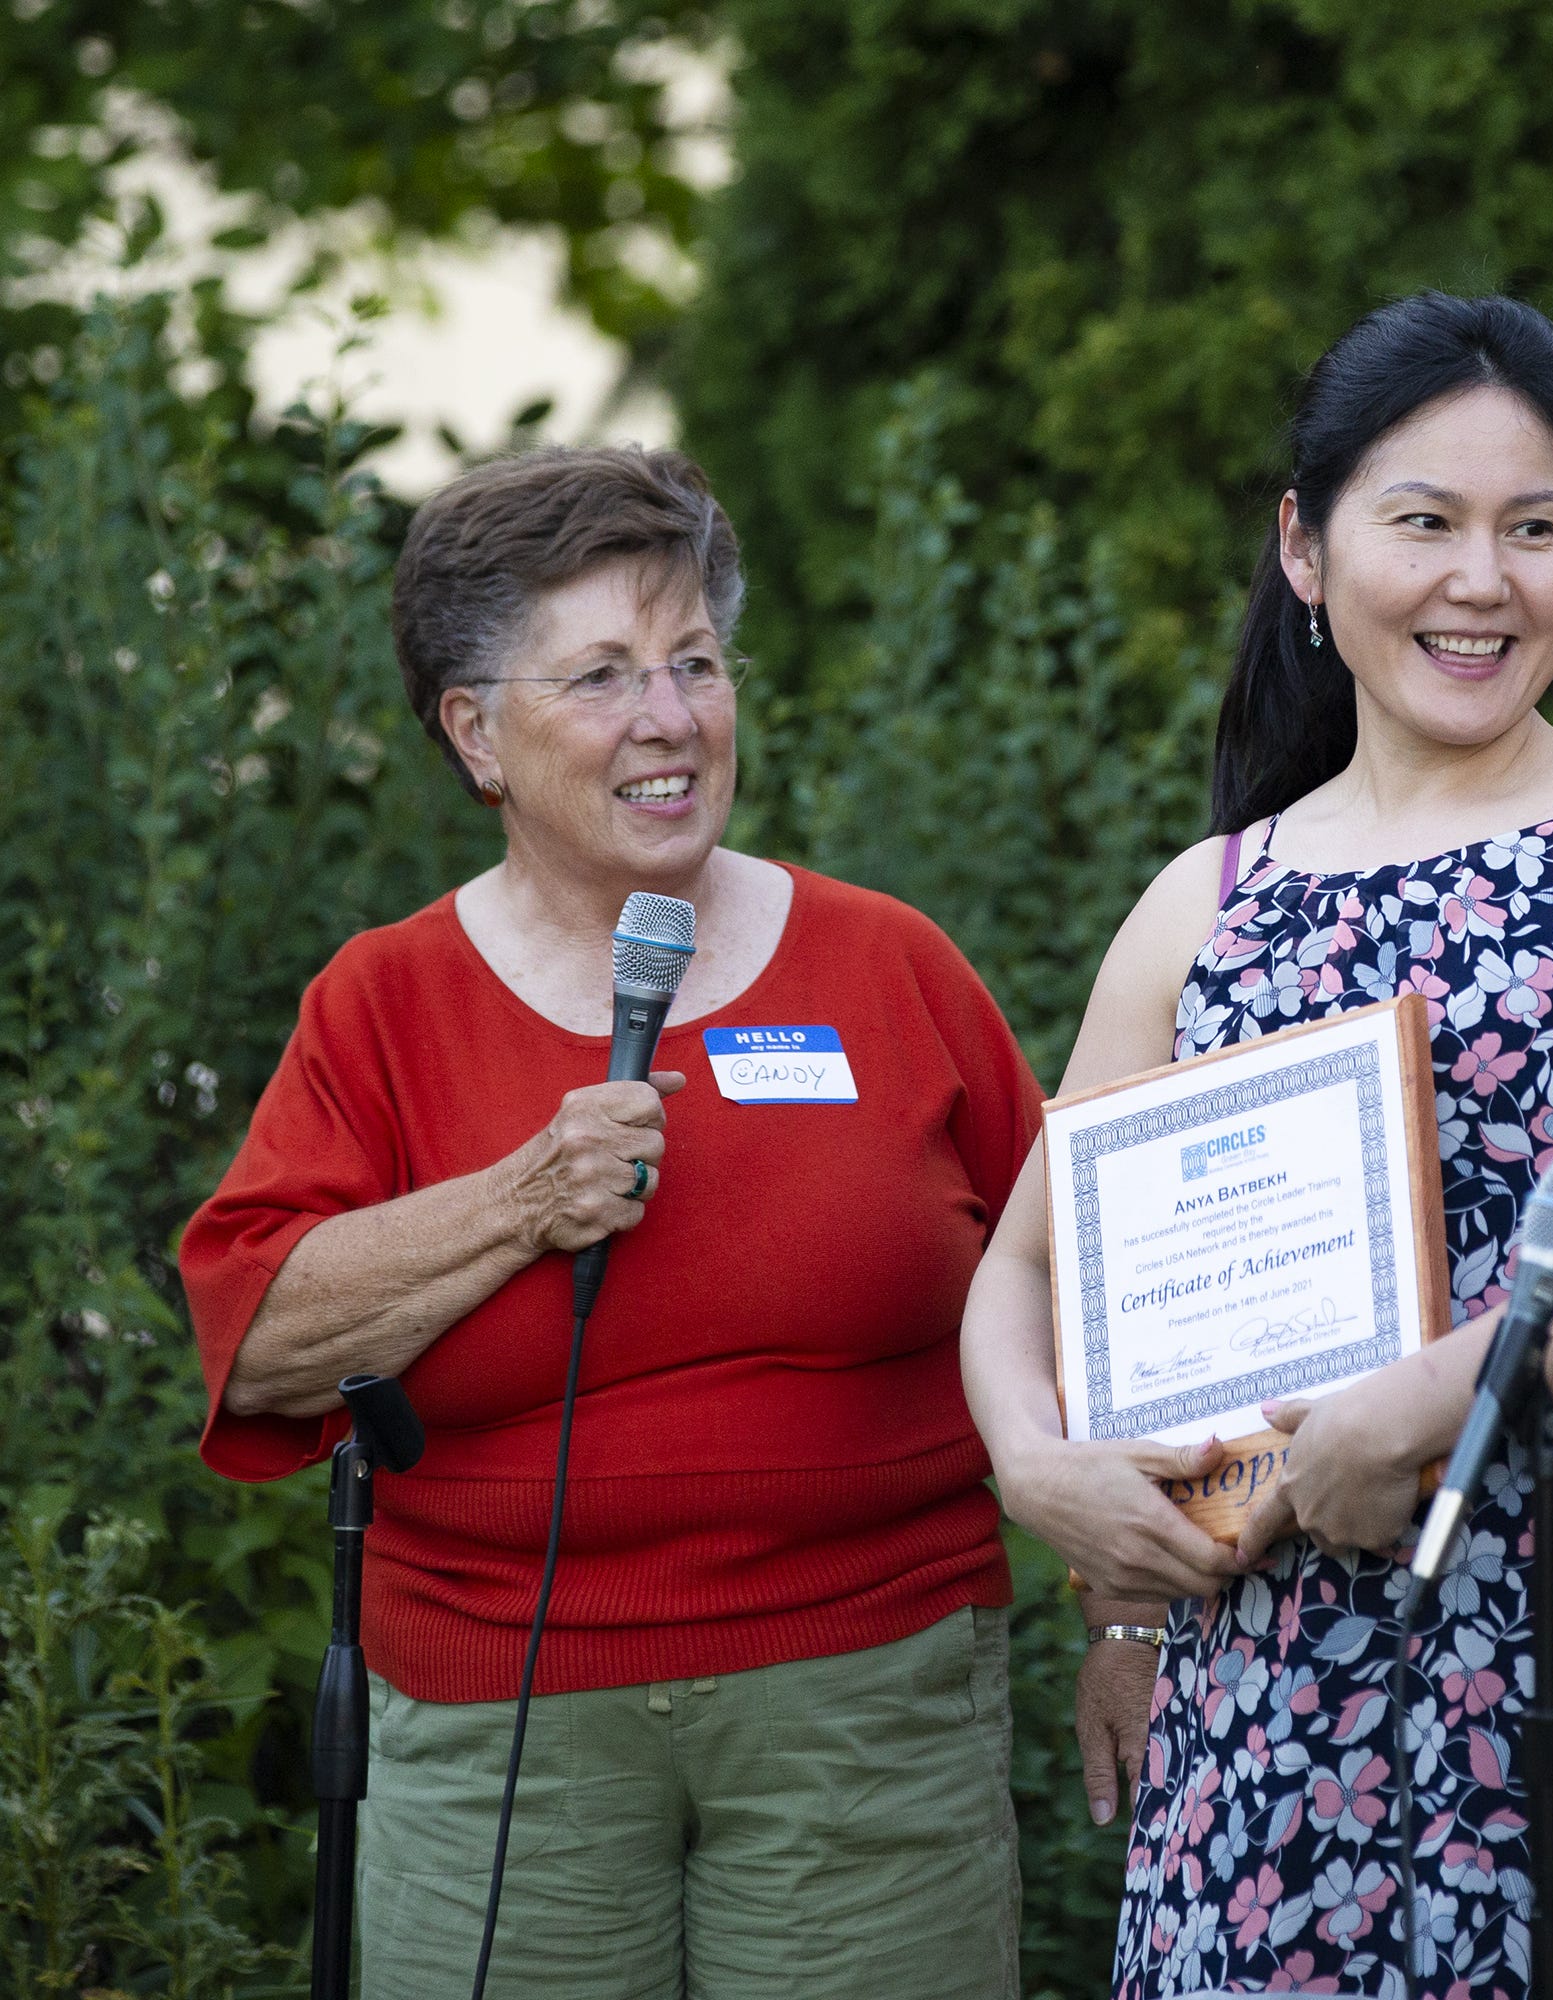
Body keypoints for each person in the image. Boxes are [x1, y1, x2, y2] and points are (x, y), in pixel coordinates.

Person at [958, 292, 1553, 1999]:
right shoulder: (1212, 901)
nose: (1482, 580)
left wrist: (1415, 1413)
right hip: (1251, 1682)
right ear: (1307, 551)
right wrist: (1038, 1476)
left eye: (1534, 529)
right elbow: (1030, 1267)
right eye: (1425, 523)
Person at [180, 446, 1040, 1998]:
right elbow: (257, 1347)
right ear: (477, 735)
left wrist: (1130, 1626)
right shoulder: (383, 1004)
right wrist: (520, 1202)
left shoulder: (890, 965)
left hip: (865, 1711)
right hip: (507, 1728)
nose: (670, 719)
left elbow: (1073, 1295)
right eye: (600, 677)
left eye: (695, 663)